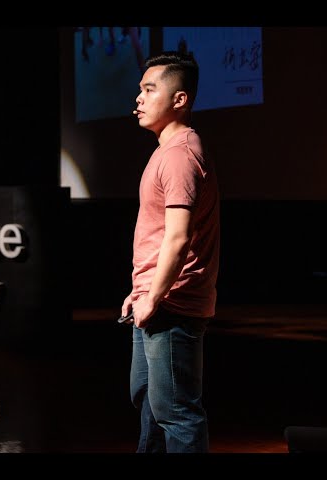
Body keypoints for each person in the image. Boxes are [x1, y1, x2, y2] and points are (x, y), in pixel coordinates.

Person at [121, 51, 220, 453]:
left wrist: (154, 296)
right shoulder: (167, 150)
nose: (139, 98)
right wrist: (141, 291)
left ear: (180, 99)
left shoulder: (179, 155)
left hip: (173, 304)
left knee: (176, 413)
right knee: (150, 403)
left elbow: (178, 238)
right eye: (140, 89)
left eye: (149, 90)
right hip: (157, 298)